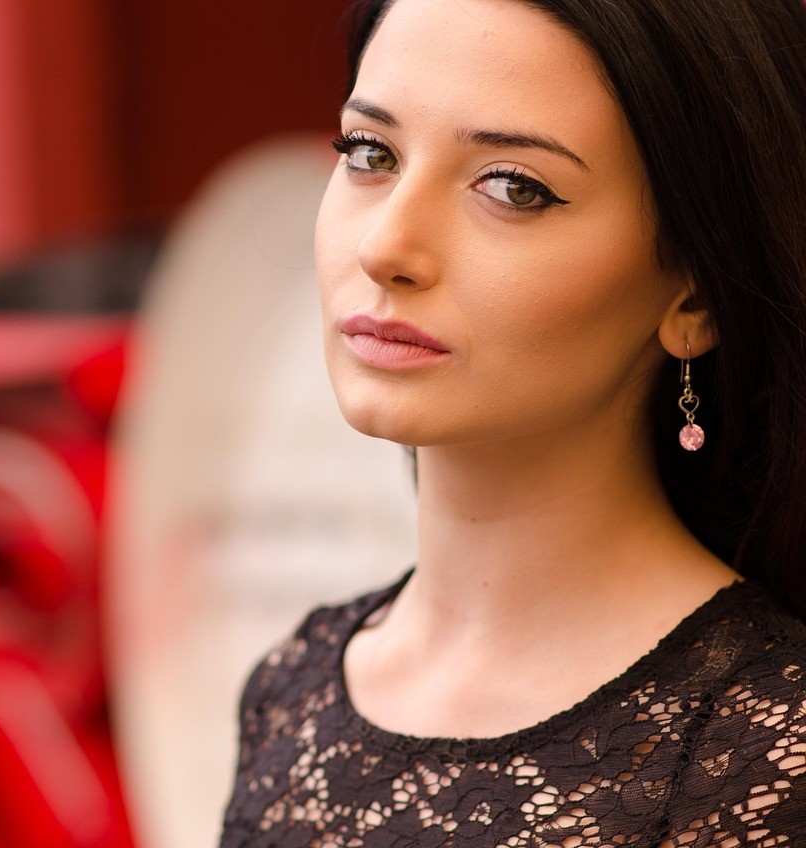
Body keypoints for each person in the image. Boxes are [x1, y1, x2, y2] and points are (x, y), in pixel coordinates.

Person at [218, 0, 806, 845]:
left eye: (514, 187)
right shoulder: (289, 693)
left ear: (694, 294)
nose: (386, 246)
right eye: (369, 152)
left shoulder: (763, 748)